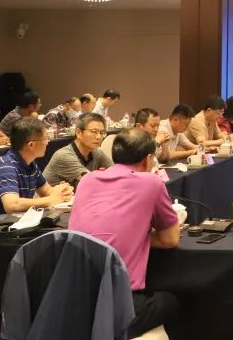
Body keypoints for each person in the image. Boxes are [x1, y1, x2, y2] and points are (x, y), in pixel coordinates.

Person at [69, 128, 183, 339]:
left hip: (74, 298)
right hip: (118, 304)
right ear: (148, 159)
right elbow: (170, 239)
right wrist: (140, 235)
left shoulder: (87, 180)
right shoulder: (151, 182)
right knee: (174, 301)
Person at [0, 118, 73, 214]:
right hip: (1, 221)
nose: (47, 142)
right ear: (31, 145)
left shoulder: (30, 163)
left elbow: (47, 191)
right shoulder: (6, 166)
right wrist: (52, 199)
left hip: (20, 219)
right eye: (45, 139)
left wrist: (62, 192)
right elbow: (12, 205)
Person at [43, 113, 113, 187]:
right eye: (93, 132)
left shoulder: (97, 153)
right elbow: (92, 182)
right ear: (78, 133)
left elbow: (115, 171)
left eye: (102, 133)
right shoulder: (64, 156)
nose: (98, 137)